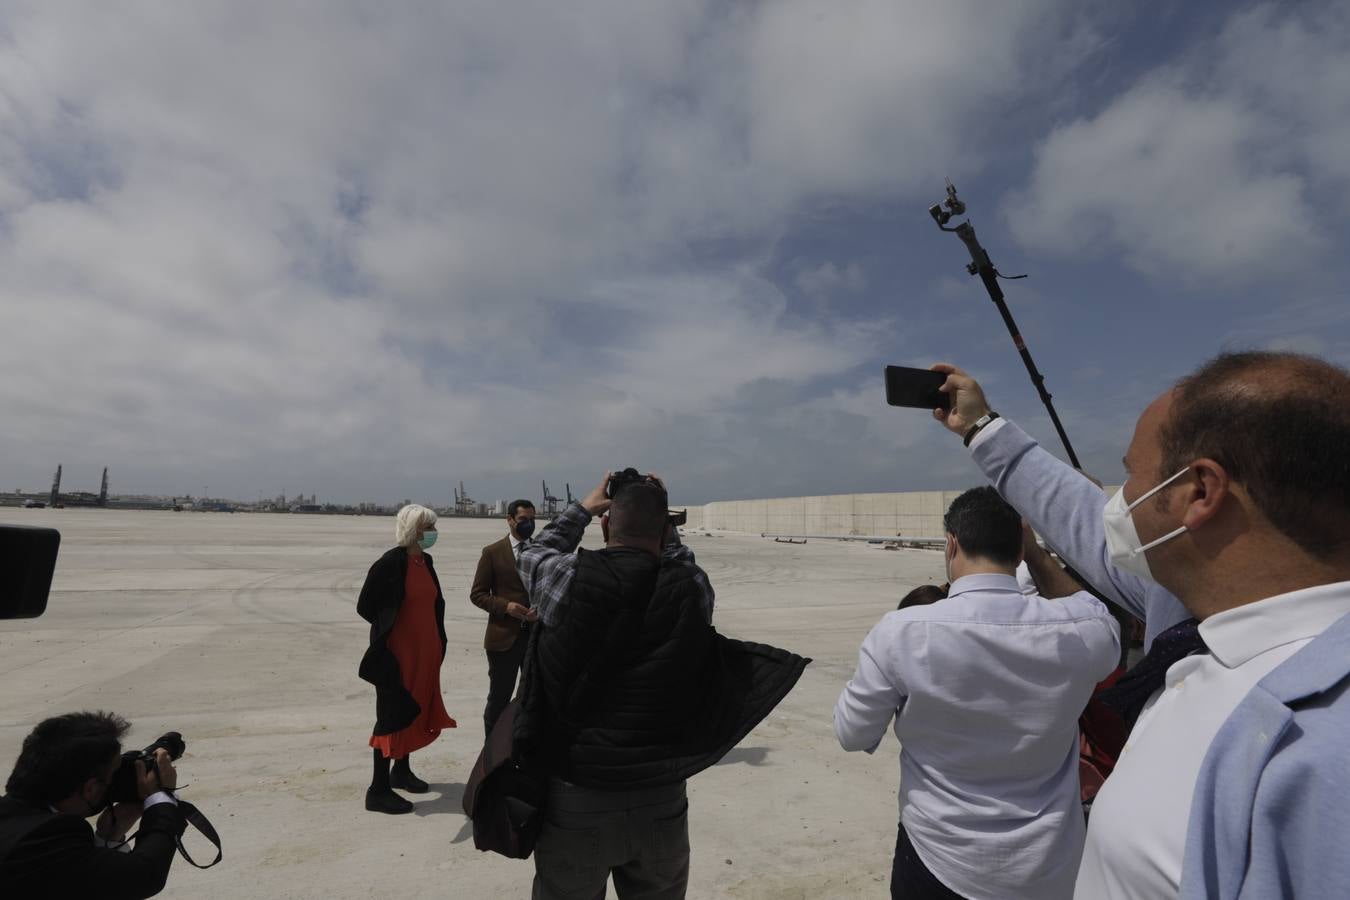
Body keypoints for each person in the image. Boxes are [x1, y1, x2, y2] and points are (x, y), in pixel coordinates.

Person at [932, 352, 1350, 899]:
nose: (1120, 502)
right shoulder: (1183, 608)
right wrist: (983, 429)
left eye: (1132, 475)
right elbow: (1083, 523)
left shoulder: (1318, 752)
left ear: (1200, 491)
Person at [515, 471, 809, 900]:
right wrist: (660, 515)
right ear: (665, 527)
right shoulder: (691, 587)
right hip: (661, 795)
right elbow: (682, 562)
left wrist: (582, 508)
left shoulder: (566, 577)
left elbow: (530, 552)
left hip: (577, 791)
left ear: (605, 525)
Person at [834, 487, 1120, 900]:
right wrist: (1038, 557)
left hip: (940, 858)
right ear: (1021, 548)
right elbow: (1097, 616)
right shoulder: (1083, 629)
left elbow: (852, 734)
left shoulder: (903, 632)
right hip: (1050, 867)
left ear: (952, 544)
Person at [0, 711, 185, 899]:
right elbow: (144, 876)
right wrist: (161, 799)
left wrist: (108, 838)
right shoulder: (47, 836)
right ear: (91, 788)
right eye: (114, 774)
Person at [357, 503, 457, 815]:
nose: (433, 533)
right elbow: (366, 605)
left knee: (414, 710)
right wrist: (392, 629)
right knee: (392, 713)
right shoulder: (390, 563)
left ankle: (401, 770)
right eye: (429, 528)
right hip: (398, 656)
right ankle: (378, 789)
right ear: (414, 530)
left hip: (425, 652)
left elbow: (433, 604)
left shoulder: (424, 560)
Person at [470, 499, 538, 737]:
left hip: (535, 637)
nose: (529, 524)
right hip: (503, 638)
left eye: (532, 519)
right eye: (523, 520)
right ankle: (491, 757)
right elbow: (477, 594)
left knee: (532, 700)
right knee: (499, 699)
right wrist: (505, 606)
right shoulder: (492, 552)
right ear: (509, 520)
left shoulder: (542, 549)